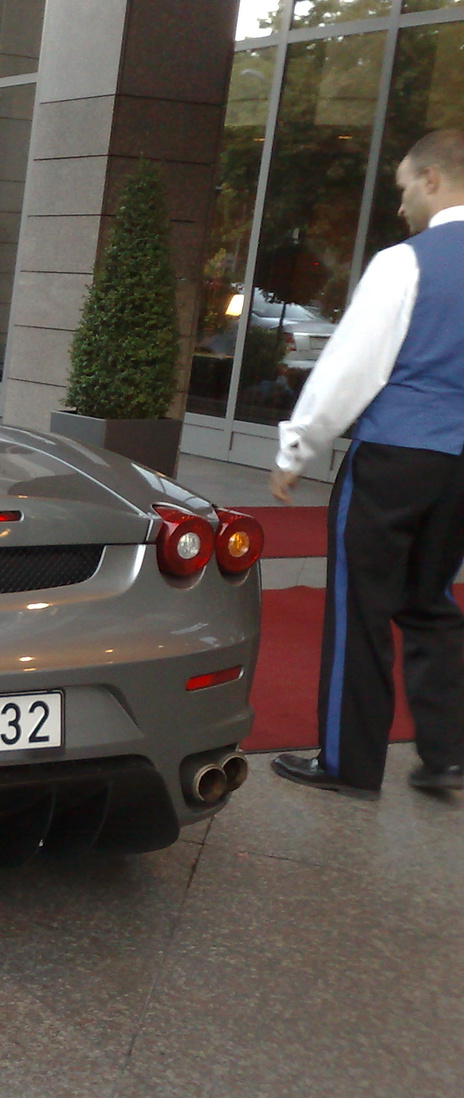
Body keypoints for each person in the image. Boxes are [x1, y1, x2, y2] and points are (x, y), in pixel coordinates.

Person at [269, 128, 464, 801]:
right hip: (459, 468)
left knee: (361, 606)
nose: (402, 203)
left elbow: (349, 368)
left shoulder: (405, 262)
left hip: (394, 456)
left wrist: (297, 447)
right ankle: (447, 756)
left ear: (435, 179)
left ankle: (348, 763)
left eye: (406, 186)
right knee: (431, 601)